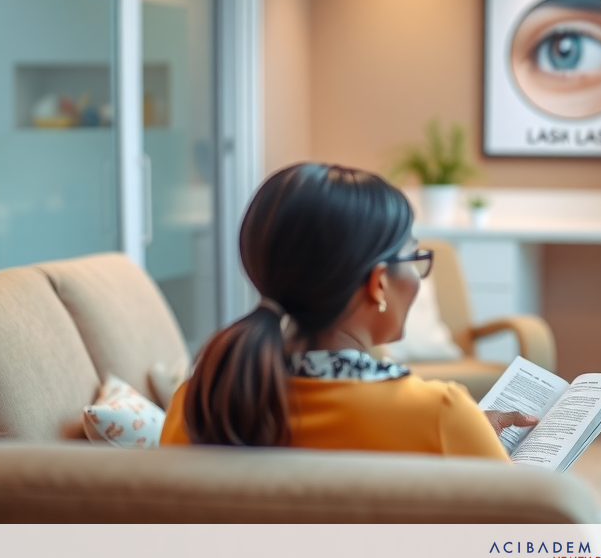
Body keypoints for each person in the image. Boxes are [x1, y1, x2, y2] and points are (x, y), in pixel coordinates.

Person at [161, 162, 535, 454]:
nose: (418, 276)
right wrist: (466, 434)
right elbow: (518, 542)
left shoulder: (200, 405)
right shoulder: (440, 414)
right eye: (414, 257)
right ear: (379, 284)